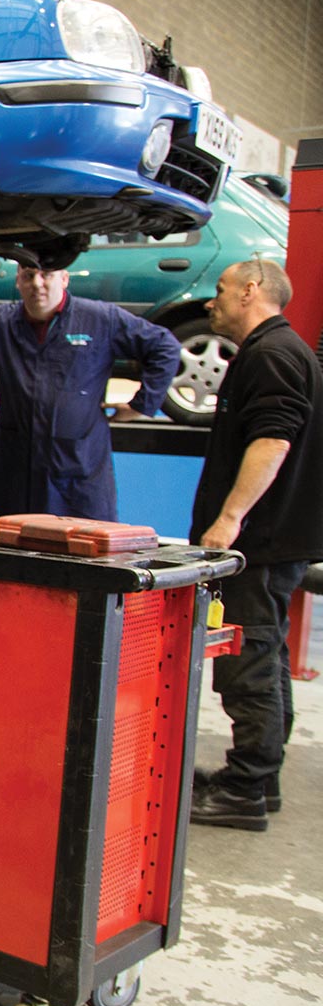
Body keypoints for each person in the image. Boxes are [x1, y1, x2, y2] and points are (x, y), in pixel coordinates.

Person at [186, 259, 322, 831]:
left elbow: (273, 440)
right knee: (263, 658)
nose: (209, 303)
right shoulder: (282, 350)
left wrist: (230, 520)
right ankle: (257, 779)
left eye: (219, 290)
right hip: (274, 542)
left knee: (249, 664)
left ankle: (246, 787)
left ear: (251, 290)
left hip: (259, 543)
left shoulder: (271, 355)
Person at [0, 263, 179, 520]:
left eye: (47, 275)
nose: (37, 283)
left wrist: (142, 405)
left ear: (64, 279)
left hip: (77, 473)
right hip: (18, 475)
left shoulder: (101, 320)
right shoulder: (0, 323)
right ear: (17, 282)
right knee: (14, 552)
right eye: (29, 276)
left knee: (78, 554)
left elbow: (165, 346)